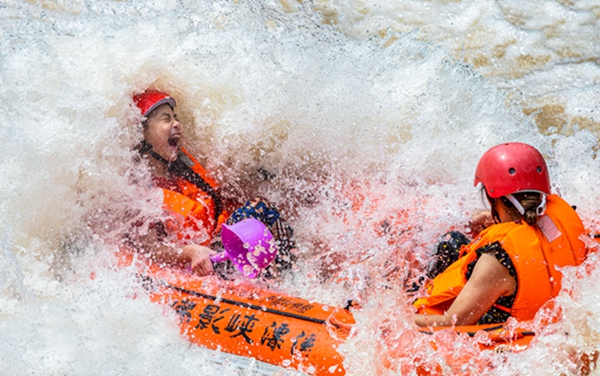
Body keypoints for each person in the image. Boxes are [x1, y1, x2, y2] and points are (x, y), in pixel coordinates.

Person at [125, 89, 296, 278]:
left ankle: (287, 274)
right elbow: (150, 249)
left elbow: (219, 196)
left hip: (219, 246)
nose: (177, 124)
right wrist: (191, 252)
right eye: (166, 119)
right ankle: (282, 278)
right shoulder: (138, 188)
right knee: (259, 207)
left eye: (176, 118)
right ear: (142, 133)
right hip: (205, 261)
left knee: (261, 207)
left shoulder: (184, 168)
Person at [413, 142, 588, 327]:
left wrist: (399, 318)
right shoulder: (562, 214)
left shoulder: (497, 260)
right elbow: (533, 232)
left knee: (449, 243)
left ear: (492, 198)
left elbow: (453, 323)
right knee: (455, 241)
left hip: (501, 326)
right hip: (540, 302)